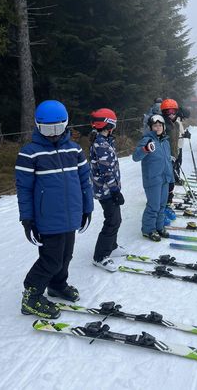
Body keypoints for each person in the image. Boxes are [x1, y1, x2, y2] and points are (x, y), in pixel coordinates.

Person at [16, 100, 94, 319]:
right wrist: (27, 219)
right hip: (48, 218)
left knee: (66, 255)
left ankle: (57, 285)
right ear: (38, 127)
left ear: (65, 125)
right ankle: (31, 295)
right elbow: (24, 189)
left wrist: (87, 207)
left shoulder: (74, 149)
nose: (53, 134)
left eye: (57, 128)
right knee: (51, 259)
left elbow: (84, 181)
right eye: (47, 129)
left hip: (72, 215)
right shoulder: (29, 154)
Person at [89, 108, 126, 272]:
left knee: (116, 219)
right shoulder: (101, 144)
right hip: (106, 191)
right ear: (108, 124)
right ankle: (100, 256)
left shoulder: (105, 141)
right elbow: (107, 171)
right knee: (112, 221)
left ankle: (112, 246)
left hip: (108, 189)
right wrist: (115, 191)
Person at [132, 114, 174, 241]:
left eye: (160, 125)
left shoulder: (165, 142)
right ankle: (148, 230)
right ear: (151, 128)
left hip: (165, 179)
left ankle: (159, 227)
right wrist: (145, 149)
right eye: (155, 125)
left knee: (162, 205)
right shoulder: (147, 140)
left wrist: (171, 180)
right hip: (153, 179)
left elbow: (167, 161)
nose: (158, 127)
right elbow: (136, 157)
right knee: (153, 206)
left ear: (163, 127)